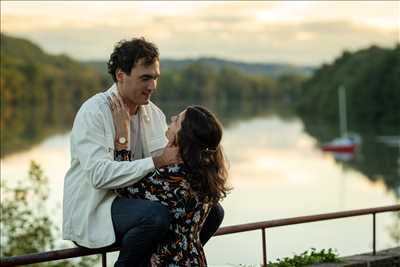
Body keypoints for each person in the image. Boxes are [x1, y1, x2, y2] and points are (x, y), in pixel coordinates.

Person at [62, 37, 225, 267]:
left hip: (141, 200)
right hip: (98, 209)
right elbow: (99, 177)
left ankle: (170, 261)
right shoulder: (94, 111)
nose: (152, 86)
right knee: (154, 216)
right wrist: (137, 148)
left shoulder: (154, 113)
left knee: (213, 211)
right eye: (145, 78)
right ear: (121, 75)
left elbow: (171, 171)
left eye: (155, 78)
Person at [109, 102, 229, 266]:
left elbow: (121, 185)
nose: (172, 118)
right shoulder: (204, 173)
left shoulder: (172, 177)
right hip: (194, 259)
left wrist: (122, 138)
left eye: (177, 120)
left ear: (183, 136)